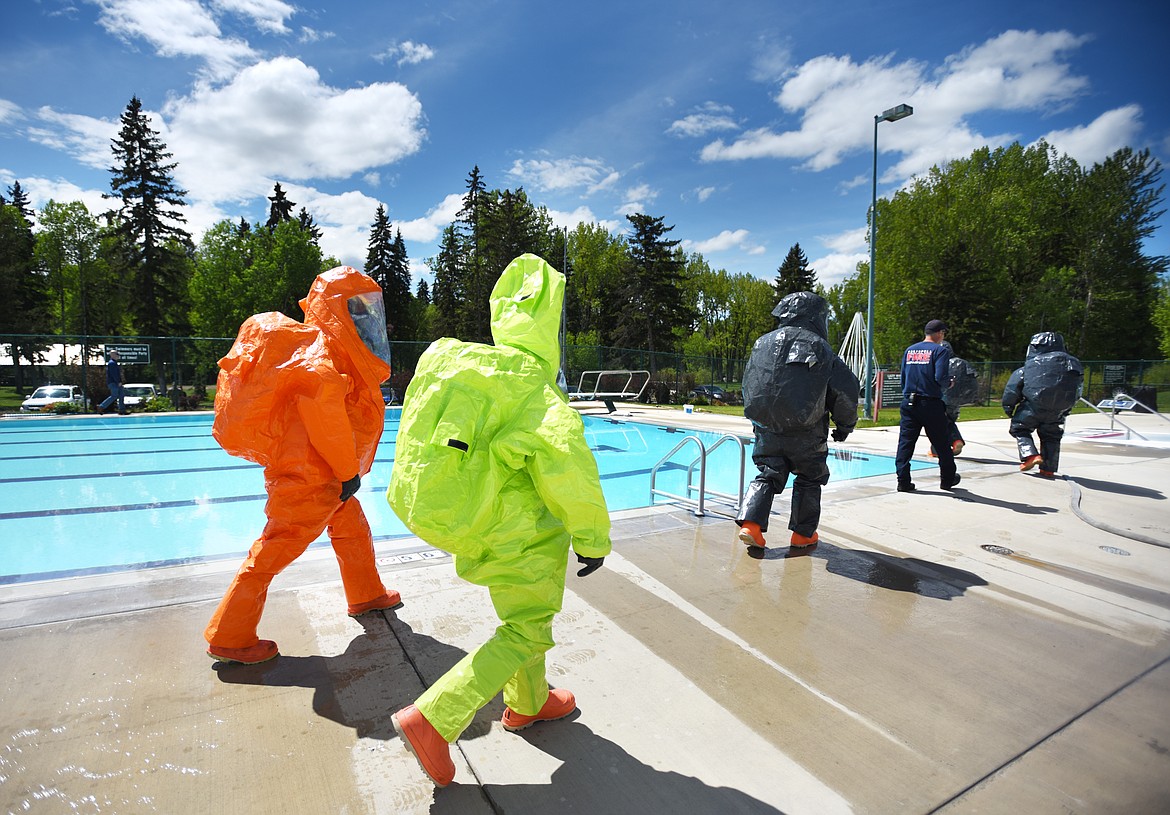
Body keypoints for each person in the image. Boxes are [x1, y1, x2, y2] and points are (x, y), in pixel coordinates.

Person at [387, 254, 611, 788]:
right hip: (523, 529)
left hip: (477, 518)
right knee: (527, 628)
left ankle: (529, 703)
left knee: (522, 615)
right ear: (549, 321)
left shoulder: (466, 365)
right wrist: (592, 538)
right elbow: (569, 471)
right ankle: (435, 718)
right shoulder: (535, 387)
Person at [203, 266, 402, 665]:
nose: (365, 321)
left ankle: (365, 594)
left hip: (320, 475)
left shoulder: (320, 355)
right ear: (335, 312)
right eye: (357, 311)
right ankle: (230, 633)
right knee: (276, 548)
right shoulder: (319, 361)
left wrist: (344, 478)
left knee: (352, 530)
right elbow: (327, 424)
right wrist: (347, 474)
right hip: (312, 477)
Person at [735, 291, 859, 549]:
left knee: (768, 474)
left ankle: (751, 525)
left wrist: (759, 421)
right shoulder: (820, 347)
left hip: (767, 428)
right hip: (808, 431)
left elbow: (750, 384)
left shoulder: (762, 344)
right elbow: (845, 388)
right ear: (816, 317)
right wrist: (845, 425)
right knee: (810, 478)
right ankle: (803, 535)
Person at [1002, 331, 1083, 477]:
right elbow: (1077, 390)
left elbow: (1013, 387)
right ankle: (1048, 468)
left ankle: (1030, 455)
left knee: (1020, 429)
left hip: (1032, 407)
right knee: (1052, 436)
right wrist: (1066, 409)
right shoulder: (1072, 365)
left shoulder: (1031, 365)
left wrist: (1008, 406)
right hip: (1057, 410)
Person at [894, 319, 960, 492]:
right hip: (930, 403)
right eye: (943, 333)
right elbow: (940, 377)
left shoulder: (910, 350)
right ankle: (947, 479)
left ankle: (903, 481)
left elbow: (903, 377)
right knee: (941, 443)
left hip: (909, 402)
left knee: (905, 444)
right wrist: (949, 383)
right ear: (939, 333)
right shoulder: (940, 351)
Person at [929, 340, 979, 458]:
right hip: (957, 400)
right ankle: (949, 443)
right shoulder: (963, 363)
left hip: (941, 398)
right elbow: (973, 378)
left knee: (936, 424)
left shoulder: (938, 364)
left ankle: (944, 446)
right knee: (948, 421)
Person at [97, 349, 127, 415]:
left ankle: (122, 410)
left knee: (121, 395)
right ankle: (101, 406)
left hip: (116, 382)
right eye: (116, 354)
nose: (118, 356)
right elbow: (114, 374)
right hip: (113, 383)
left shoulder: (114, 363)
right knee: (114, 396)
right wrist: (118, 382)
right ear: (112, 355)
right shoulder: (112, 363)